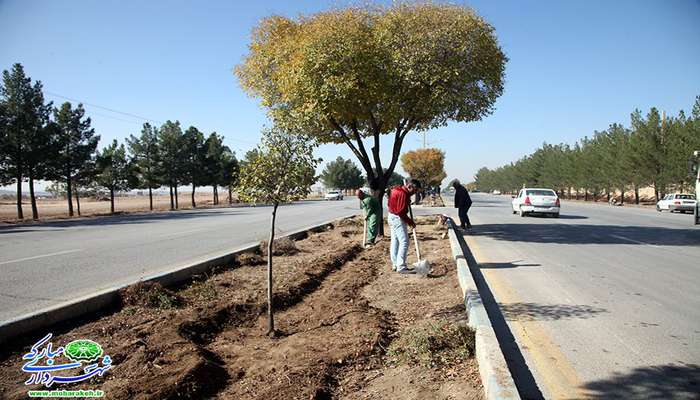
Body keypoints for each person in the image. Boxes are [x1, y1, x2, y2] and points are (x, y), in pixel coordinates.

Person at [388, 179, 421, 274]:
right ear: (410, 186)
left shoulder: (396, 190)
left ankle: (395, 264)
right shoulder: (403, 194)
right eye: (414, 190)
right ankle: (401, 266)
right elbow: (401, 212)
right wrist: (410, 222)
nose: (414, 193)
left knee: (395, 240)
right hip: (398, 218)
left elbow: (391, 204)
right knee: (404, 241)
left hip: (391, 216)